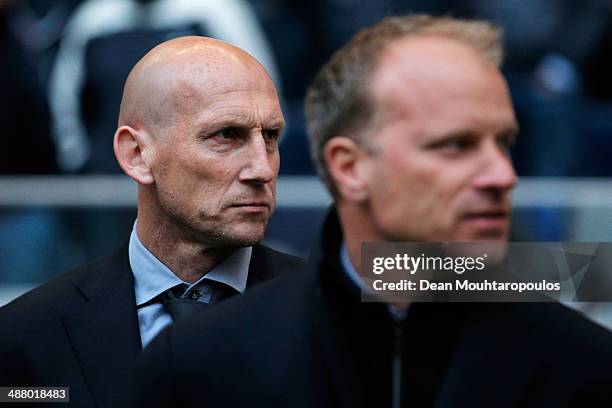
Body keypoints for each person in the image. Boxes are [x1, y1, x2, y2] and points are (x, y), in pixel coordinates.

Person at [133, 15, 612, 407]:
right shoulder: (201, 368)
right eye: (456, 145)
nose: (502, 175)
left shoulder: (585, 366)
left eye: (504, 143)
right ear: (350, 167)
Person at [0, 36, 302, 407]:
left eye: (271, 136)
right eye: (226, 135)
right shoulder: (23, 336)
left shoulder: (346, 315)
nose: (262, 168)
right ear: (137, 155)